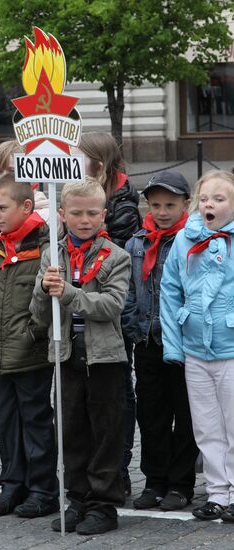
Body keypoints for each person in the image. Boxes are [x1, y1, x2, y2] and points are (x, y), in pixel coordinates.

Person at [30, 179, 131, 535]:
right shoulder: (52, 256)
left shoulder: (116, 256)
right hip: (67, 355)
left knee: (105, 432)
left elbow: (111, 305)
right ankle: (77, 498)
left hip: (104, 357)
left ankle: (103, 505)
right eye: (76, 213)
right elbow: (40, 316)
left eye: (92, 213)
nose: (84, 219)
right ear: (62, 214)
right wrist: (44, 291)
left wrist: (69, 293)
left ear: (103, 214)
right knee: (71, 431)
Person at [0, 174, 59, 519]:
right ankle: (13, 484)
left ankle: (43, 488)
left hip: (28, 352)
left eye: (2, 208)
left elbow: (48, 301)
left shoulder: (46, 248)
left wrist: (34, 331)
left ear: (26, 207)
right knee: (5, 422)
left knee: (34, 421)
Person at [160, 170, 234, 522]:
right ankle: (218, 493)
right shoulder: (184, 239)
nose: (210, 205)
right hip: (195, 349)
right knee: (206, 427)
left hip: (231, 349)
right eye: (205, 198)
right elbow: (170, 291)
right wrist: (174, 346)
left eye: (219, 199)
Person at [122, 171, 198, 511]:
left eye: (170, 204)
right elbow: (128, 290)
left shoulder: (194, 242)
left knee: (185, 414)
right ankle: (154, 480)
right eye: (156, 205)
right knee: (151, 414)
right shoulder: (136, 242)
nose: (163, 211)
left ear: (186, 204)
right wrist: (132, 324)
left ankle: (181, 484)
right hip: (148, 340)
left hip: (184, 343)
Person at [74, 132, 141, 495]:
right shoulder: (79, 192)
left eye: (79, 155)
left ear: (97, 164)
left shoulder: (122, 204)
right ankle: (86, 474)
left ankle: (120, 466)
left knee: (119, 395)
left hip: (112, 311)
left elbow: (113, 255)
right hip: (80, 317)